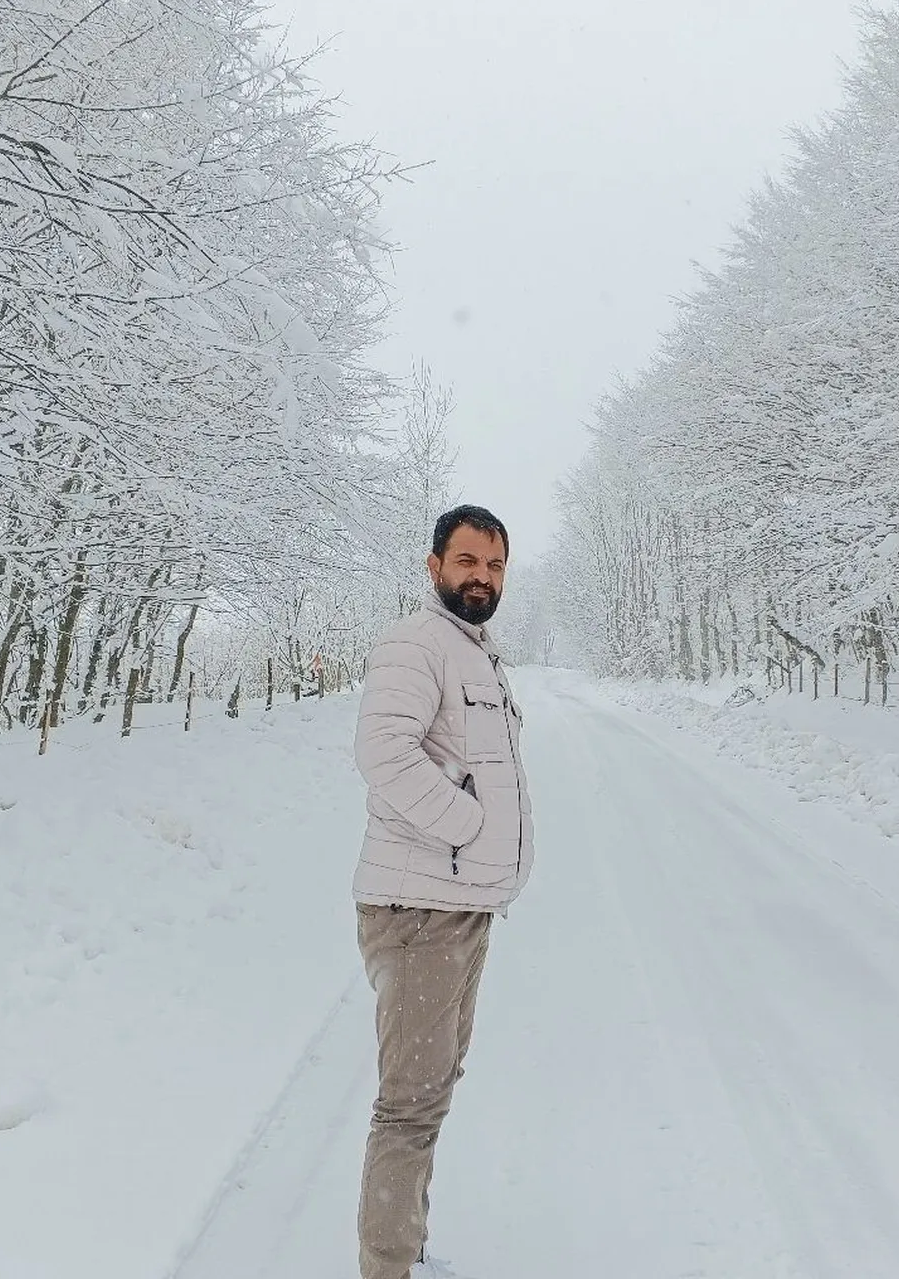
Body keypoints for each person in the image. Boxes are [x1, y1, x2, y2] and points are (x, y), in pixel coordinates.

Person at [352, 504, 535, 1279]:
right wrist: (467, 825)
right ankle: (389, 1268)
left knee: (433, 1086)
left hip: (458, 906)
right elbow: (383, 753)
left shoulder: (476, 652)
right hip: (421, 908)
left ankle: (409, 1251)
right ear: (434, 567)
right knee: (409, 1105)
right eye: (467, 562)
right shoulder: (416, 643)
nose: (481, 578)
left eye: (494, 566)